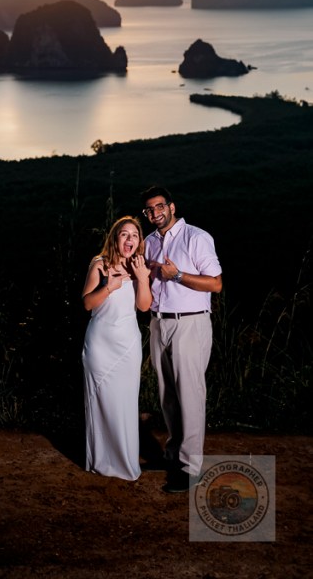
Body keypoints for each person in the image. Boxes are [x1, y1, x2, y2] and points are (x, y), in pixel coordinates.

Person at [141, 184, 222, 493]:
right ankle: (174, 456)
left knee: (190, 395)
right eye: (149, 209)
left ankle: (190, 467)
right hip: (159, 324)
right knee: (168, 396)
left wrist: (177, 275)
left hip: (190, 324)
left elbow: (215, 284)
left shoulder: (197, 238)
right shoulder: (148, 242)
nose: (155, 212)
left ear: (172, 206)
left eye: (160, 206)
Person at [81, 216, 152, 480]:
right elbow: (88, 303)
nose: (130, 239)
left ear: (138, 242)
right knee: (100, 402)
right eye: (124, 234)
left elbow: (144, 307)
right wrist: (108, 287)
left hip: (128, 345)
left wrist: (143, 279)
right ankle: (100, 460)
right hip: (100, 344)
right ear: (115, 238)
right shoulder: (99, 265)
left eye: (134, 235)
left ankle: (124, 463)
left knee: (124, 403)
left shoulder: (139, 268)